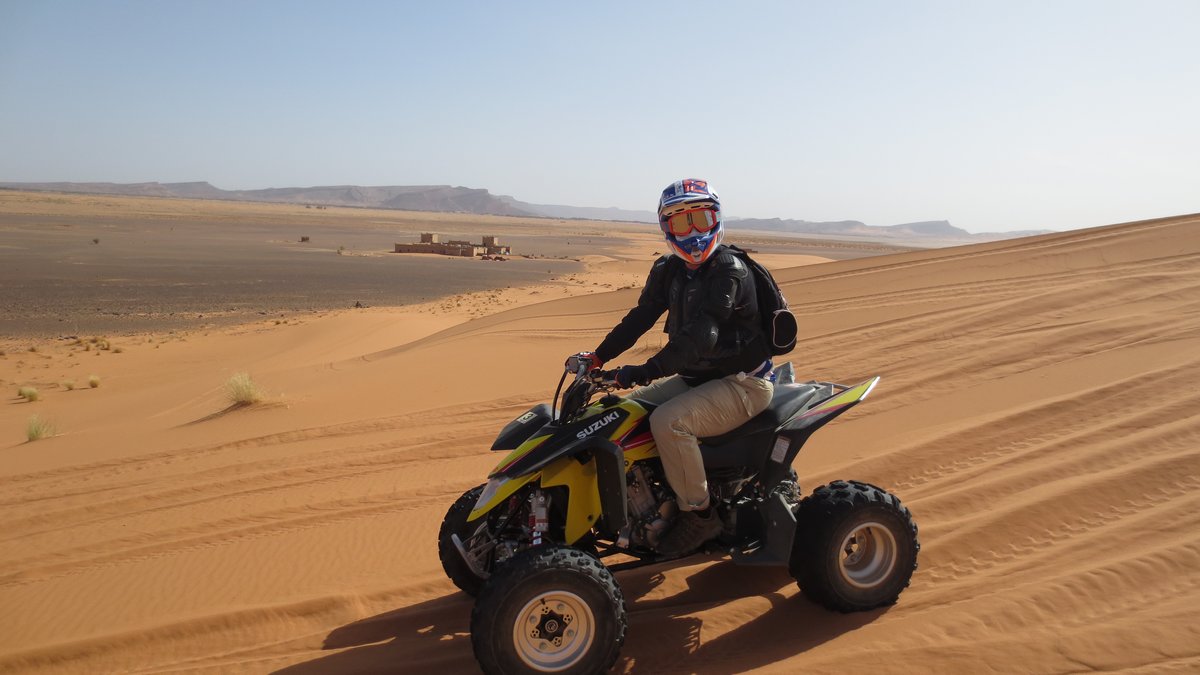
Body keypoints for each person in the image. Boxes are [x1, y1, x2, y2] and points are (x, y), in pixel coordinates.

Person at [568, 178, 774, 557]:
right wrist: (598, 357)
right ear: (667, 227)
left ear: (717, 218)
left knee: (669, 422)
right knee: (624, 412)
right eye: (681, 222)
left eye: (701, 218)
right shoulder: (670, 270)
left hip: (744, 384)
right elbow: (640, 317)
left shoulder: (729, 271)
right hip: (697, 378)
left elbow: (702, 335)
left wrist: (643, 371)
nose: (693, 232)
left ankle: (699, 515)